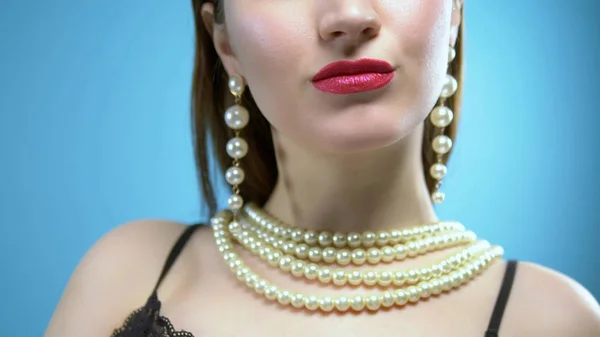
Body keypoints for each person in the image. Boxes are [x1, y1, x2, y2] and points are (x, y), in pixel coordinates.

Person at [45, 0, 600, 336]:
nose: (349, 17)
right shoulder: (129, 275)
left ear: (453, 10)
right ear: (226, 41)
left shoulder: (555, 320)